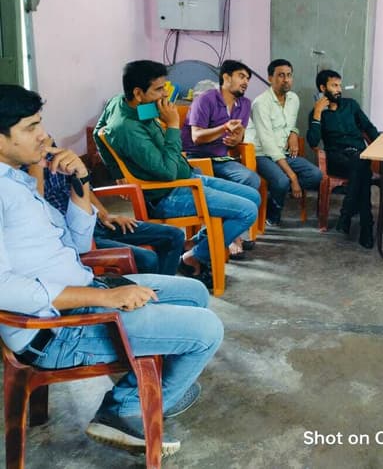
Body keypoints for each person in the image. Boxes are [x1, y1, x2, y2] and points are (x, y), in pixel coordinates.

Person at [0, 84, 224, 456]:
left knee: (195, 293)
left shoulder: (18, 181)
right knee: (207, 331)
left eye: (40, 123)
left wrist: (80, 184)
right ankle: (123, 408)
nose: (43, 135)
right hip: (56, 331)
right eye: (30, 127)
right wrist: (106, 297)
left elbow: (77, 246)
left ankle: (154, 384)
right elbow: (3, 288)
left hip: (82, 296)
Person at [94, 60, 261, 283]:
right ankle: (194, 257)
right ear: (138, 93)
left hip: (188, 176)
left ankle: (195, 243)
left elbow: (97, 132)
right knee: (247, 211)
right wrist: (173, 125)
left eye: (165, 87)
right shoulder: (128, 129)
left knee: (253, 196)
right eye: (159, 89)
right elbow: (167, 173)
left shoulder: (124, 103)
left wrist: (117, 172)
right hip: (168, 193)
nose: (166, 94)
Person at [25, 139, 185, 275]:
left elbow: (83, 187)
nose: (41, 134)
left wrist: (104, 214)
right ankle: (152, 296)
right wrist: (37, 161)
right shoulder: (17, 170)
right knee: (148, 259)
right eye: (32, 127)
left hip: (96, 221)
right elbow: (36, 204)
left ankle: (164, 292)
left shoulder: (49, 147)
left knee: (174, 235)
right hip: (74, 236)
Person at [181, 59, 260, 259]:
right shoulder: (205, 100)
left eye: (247, 78)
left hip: (221, 158)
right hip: (197, 157)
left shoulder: (244, 104)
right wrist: (223, 128)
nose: (246, 82)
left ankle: (214, 237)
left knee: (251, 179)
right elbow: (196, 137)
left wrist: (236, 139)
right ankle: (232, 238)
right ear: (226, 77)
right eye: (241, 76)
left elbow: (239, 135)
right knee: (220, 186)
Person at [307, 69, 380, 248]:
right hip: (337, 159)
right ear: (323, 88)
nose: (339, 89)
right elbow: (313, 142)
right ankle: (364, 225)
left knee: (361, 166)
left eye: (340, 85)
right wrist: (317, 113)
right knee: (363, 171)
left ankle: (349, 216)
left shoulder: (351, 105)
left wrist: (381, 147)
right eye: (334, 85)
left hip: (359, 155)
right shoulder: (317, 113)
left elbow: (369, 128)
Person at [252, 58, 323, 227]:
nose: (286, 79)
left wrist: (294, 132)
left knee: (315, 175)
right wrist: (292, 177)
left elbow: (290, 124)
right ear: (270, 78)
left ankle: (275, 195)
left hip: (285, 153)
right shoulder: (261, 103)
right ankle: (273, 213)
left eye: (289, 75)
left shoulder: (294, 99)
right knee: (282, 181)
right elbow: (268, 143)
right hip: (263, 155)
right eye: (281, 75)